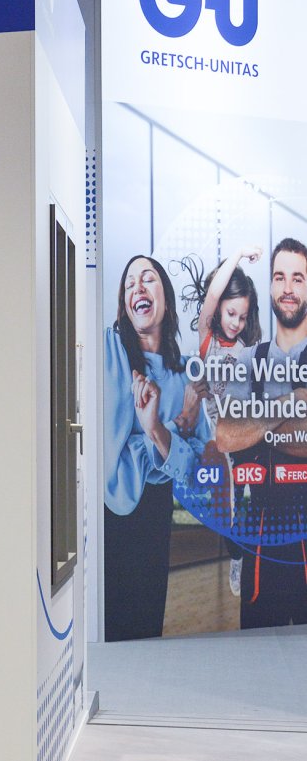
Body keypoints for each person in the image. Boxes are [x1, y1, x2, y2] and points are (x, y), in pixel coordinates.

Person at [105, 255, 210, 641]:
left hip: (155, 513)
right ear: (124, 304)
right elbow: (110, 455)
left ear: (165, 297)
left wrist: (155, 430)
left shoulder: (186, 374)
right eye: (129, 283)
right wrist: (176, 429)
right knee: (113, 631)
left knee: (148, 629)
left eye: (147, 278)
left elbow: (198, 472)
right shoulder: (109, 352)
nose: (138, 287)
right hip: (112, 513)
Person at [216, 238, 307, 629]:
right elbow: (225, 435)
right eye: (279, 277)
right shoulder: (249, 359)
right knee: (256, 652)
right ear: (270, 286)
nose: (288, 288)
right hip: (260, 538)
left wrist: (254, 423)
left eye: (298, 278)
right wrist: (290, 404)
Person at [180, 247, 263, 596]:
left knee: (258, 498)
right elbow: (213, 294)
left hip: (249, 435)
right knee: (230, 508)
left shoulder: (246, 348)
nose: (235, 322)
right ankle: (237, 557)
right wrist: (239, 255)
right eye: (231, 313)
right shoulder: (207, 341)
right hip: (224, 440)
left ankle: (256, 559)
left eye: (242, 317)